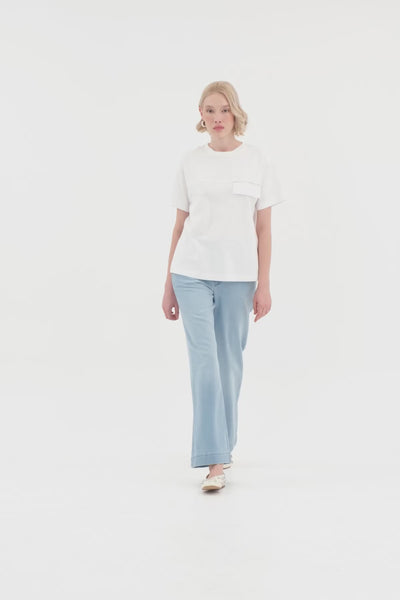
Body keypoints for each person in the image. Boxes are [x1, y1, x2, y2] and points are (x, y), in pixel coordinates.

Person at [161, 81, 285, 491]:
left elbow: (264, 229)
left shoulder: (257, 160)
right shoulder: (190, 162)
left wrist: (264, 284)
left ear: (235, 113)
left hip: (238, 277)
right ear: (200, 114)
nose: (217, 118)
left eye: (224, 110)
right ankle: (214, 462)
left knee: (229, 364)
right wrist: (168, 284)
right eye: (209, 110)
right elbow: (179, 226)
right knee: (204, 363)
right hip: (191, 272)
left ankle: (223, 446)